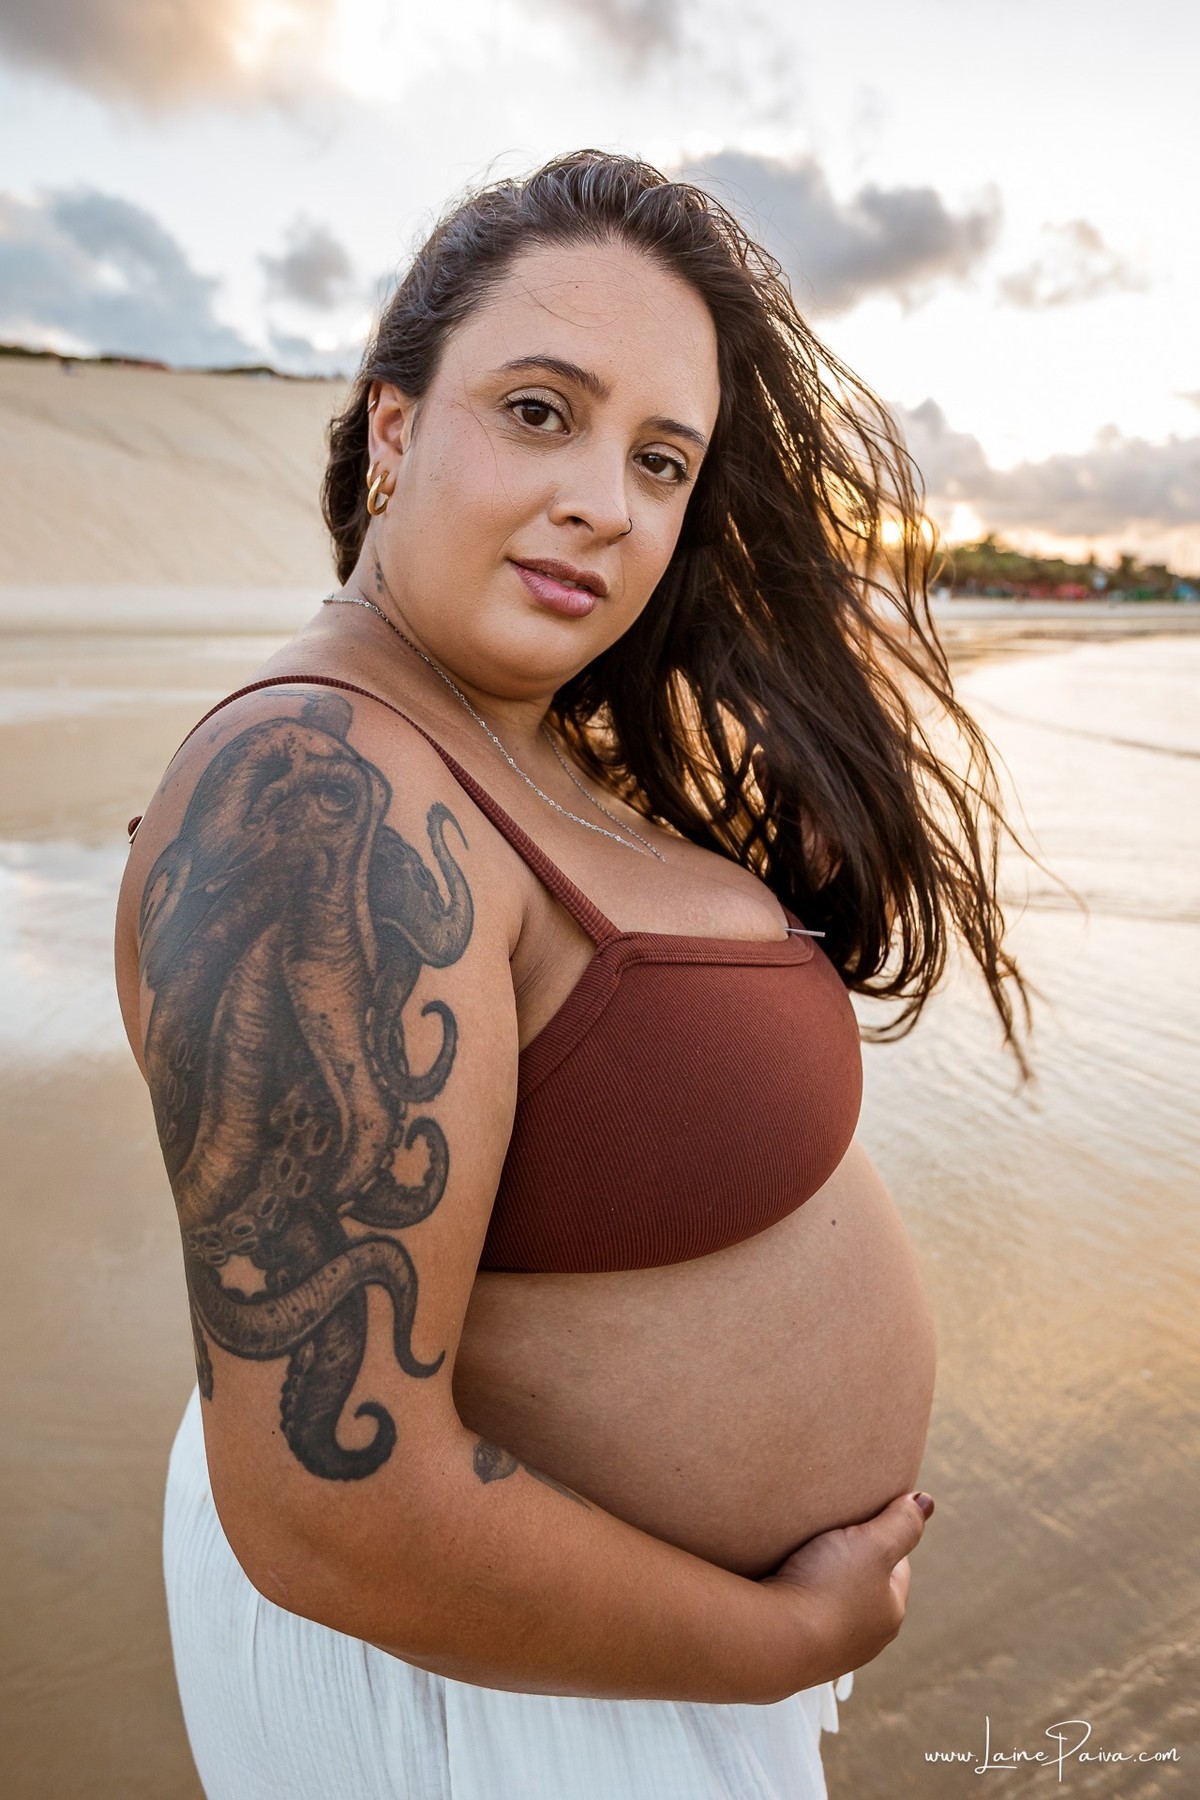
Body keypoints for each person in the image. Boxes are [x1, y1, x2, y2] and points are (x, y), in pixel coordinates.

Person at [114, 148, 1029, 1799]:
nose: (610, 499)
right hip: (471, 1690)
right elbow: (331, 1506)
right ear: (394, 429)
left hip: (593, 1655)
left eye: (661, 458)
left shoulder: (527, 745)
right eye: (542, 409)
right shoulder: (311, 791)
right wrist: (785, 1640)